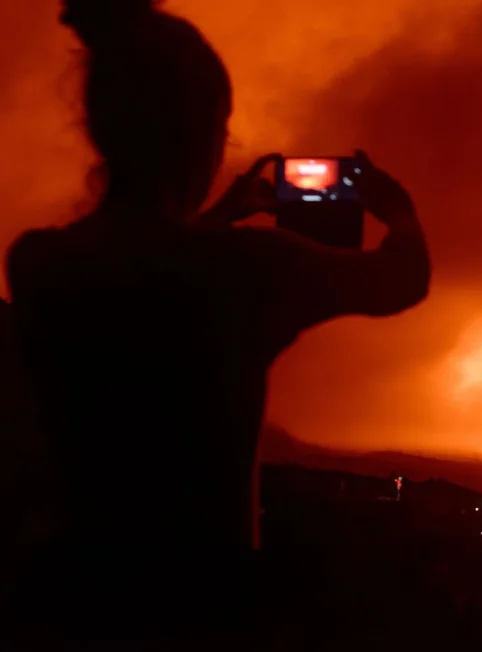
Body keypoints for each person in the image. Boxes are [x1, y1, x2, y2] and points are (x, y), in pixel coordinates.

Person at [4, 0, 430, 644]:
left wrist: (220, 216)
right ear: (203, 138)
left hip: (77, 599)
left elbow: (144, 277)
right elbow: (402, 280)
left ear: (101, 125)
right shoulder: (249, 269)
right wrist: (396, 208)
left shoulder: (39, 264)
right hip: (205, 602)